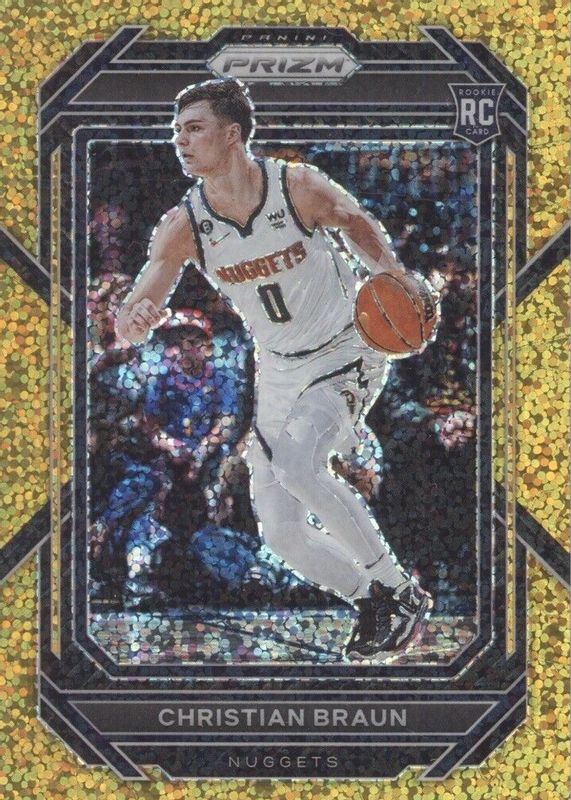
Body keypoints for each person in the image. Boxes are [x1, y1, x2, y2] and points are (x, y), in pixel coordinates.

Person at [116, 77, 434, 658]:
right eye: (176, 130)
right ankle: (371, 597)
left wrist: (390, 272)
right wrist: (134, 319)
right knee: (281, 533)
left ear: (232, 134)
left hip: (344, 350)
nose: (180, 140)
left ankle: (397, 589)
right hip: (279, 370)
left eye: (194, 128)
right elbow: (139, 303)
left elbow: (354, 220)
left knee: (298, 465)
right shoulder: (184, 224)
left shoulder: (296, 186)